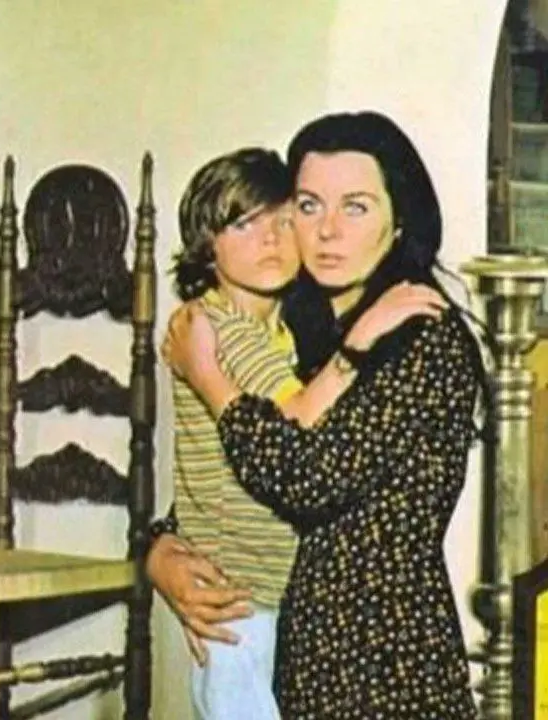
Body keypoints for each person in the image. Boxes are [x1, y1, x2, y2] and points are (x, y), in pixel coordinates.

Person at [163, 111, 485, 719]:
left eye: (355, 207)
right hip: (301, 657)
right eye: (309, 206)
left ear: (399, 221)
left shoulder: (421, 335)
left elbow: (305, 478)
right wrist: (163, 555)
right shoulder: (295, 332)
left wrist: (208, 378)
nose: (328, 230)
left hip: (385, 663)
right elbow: (226, 480)